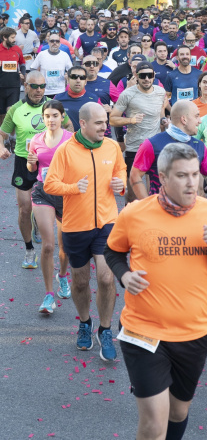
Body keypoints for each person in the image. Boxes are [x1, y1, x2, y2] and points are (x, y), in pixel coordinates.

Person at [104, 143, 207, 440]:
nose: (192, 182)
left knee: (178, 413)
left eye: (195, 174)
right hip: (143, 331)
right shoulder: (135, 213)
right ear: (163, 178)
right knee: (154, 423)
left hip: (192, 334)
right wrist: (124, 275)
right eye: (182, 175)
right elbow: (113, 252)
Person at [44, 102, 127, 361]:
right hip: (75, 226)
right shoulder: (66, 151)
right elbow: (50, 183)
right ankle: (84, 322)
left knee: (105, 278)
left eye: (106, 121)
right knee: (80, 282)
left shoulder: (112, 147)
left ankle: (105, 329)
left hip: (106, 223)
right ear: (83, 124)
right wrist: (72, 188)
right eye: (100, 122)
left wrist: (120, 184)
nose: (105, 126)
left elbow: (121, 171)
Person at [0, 72, 73, 268]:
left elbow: (68, 126)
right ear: (26, 85)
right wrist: (2, 147)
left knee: (55, 206)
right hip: (25, 160)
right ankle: (29, 249)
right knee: (25, 208)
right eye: (34, 86)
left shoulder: (52, 106)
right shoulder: (16, 109)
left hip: (50, 162)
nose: (39, 90)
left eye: (42, 86)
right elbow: (2, 133)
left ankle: (40, 221)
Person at [27, 100, 72, 314]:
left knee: (65, 247)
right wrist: (31, 161)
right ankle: (48, 295)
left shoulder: (71, 140)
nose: (51, 120)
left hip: (65, 194)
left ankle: (62, 276)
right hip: (43, 191)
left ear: (62, 117)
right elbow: (32, 167)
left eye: (55, 115)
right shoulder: (36, 140)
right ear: (43, 118)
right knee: (48, 246)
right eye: (47, 116)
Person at [130, 100, 207, 198]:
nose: (200, 121)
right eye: (196, 116)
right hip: (160, 209)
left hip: (190, 210)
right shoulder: (151, 144)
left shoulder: (199, 145)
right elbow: (135, 175)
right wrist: (147, 205)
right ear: (184, 119)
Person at [110, 62, 167, 202]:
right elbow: (112, 119)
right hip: (135, 147)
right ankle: (130, 220)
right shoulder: (127, 94)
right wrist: (131, 120)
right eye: (143, 75)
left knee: (154, 192)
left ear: (154, 76)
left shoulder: (160, 92)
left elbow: (159, 113)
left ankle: (151, 221)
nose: (146, 78)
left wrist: (163, 121)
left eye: (150, 75)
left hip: (155, 147)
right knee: (133, 194)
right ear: (136, 76)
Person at [54, 65, 100, 131]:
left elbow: (101, 124)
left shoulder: (94, 100)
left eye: (82, 77)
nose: (78, 80)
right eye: (74, 77)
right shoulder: (57, 99)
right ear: (68, 79)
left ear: (86, 81)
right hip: (65, 140)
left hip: (86, 140)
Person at [0, 26, 26, 127]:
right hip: (1, 86)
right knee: (1, 114)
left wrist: (22, 74)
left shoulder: (17, 49)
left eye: (15, 37)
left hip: (14, 86)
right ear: (4, 38)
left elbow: (22, 63)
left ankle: (11, 137)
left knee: (11, 112)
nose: (14, 40)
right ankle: (2, 137)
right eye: (12, 37)